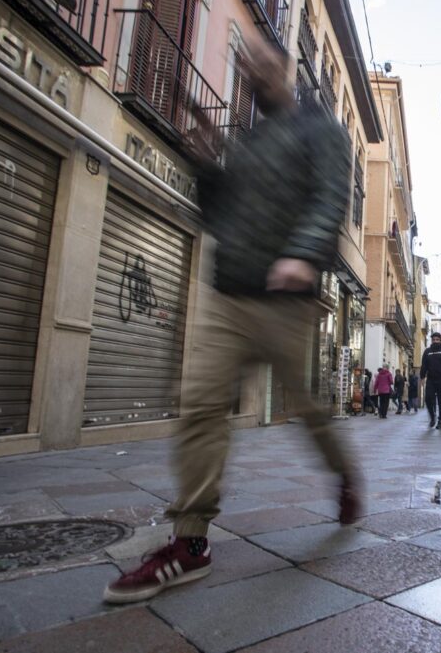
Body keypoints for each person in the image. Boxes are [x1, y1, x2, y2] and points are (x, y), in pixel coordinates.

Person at [103, 44, 361, 604]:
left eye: (261, 65)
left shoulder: (322, 130)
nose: (252, 74)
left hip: (287, 301)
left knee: (309, 412)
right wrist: (204, 166)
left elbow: (329, 196)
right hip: (228, 294)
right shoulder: (250, 143)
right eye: (245, 69)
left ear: (286, 73)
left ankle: (345, 476)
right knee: (200, 404)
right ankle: (190, 542)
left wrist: (303, 252)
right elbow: (219, 215)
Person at [420, 332, 441, 430]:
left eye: (437, 340)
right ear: (431, 340)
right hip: (430, 380)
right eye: (434, 340)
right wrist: (422, 377)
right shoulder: (427, 351)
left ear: (440, 340)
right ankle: (432, 417)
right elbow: (424, 366)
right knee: (428, 399)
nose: (435, 341)